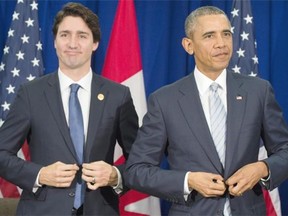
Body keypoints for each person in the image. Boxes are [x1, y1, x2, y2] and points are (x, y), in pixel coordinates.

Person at [124, 5, 288, 216]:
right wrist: (188, 180)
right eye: (209, 36)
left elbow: (284, 150)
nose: (221, 44)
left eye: (226, 34)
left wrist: (262, 169)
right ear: (189, 45)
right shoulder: (165, 100)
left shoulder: (259, 91)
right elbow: (136, 171)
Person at [0, 2, 138, 216]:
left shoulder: (118, 96)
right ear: (55, 41)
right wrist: (40, 174)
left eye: (82, 36)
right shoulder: (30, 94)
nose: (72, 43)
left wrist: (114, 175)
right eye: (65, 35)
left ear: (95, 43)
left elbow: (140, 161)